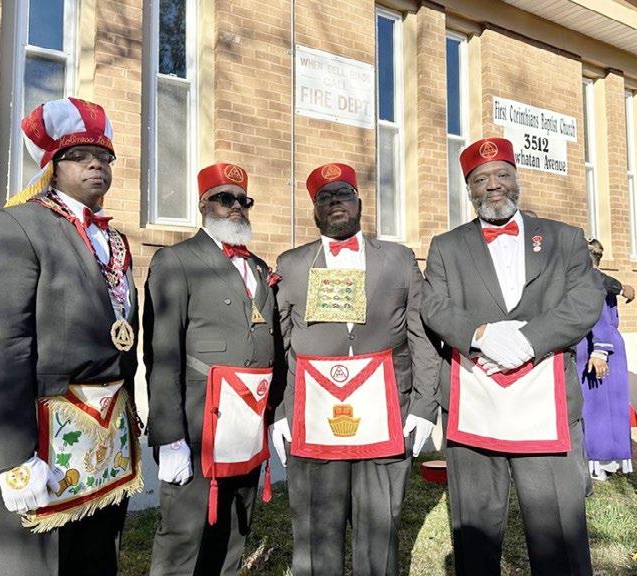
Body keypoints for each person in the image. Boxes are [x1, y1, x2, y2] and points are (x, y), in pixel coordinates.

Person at [0, 97, 142, 575]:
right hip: (42, 432)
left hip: (106, 432)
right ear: (51, 166)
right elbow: (1, 345)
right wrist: (13, 454)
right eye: (79, 156)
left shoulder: (115, 240)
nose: (96, 164)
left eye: (104, 156)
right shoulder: (16, 225)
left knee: (97, 557)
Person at [421, 137, 605, 576]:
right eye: (480, 179)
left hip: (546, 406)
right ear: (469, 189)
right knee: (475, 534)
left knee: (558, 531)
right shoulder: (446, 246)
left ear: (516, 178)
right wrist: (480, 334)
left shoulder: (564, 238)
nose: (493, 185)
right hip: (476, 406)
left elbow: (585, 299)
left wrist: (529, 340)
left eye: (502, 174)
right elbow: (434, 305)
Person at [270, 162, 440, 575]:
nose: (335, 202)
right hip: (312, 415)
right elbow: (279, 344)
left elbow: (421, 335)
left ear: (359, 202)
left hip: (387, 413)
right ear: (314, 210)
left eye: (343, 193)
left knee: (379, 532)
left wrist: (424, 406)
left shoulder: (398, 259)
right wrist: (279, 412)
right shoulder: (292, 264)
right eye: (324, 197)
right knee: (315, 534)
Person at [143, 163, 280, 576]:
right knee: (183, 535)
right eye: (224, 199)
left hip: (247, 420)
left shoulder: (259, 267)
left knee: (235, 527)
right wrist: (169, 437)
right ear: (203, 204)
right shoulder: (177, 260)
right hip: (197, 422)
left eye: (243, 200)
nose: (236, 207)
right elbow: (161, 352)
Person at [577, 239, 633, 480]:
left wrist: (599, 350)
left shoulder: (590, 280)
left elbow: (598, 318)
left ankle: (599, 460)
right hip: (612, 344)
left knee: (596, 405)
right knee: (610, 405)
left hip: (595, 345)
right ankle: (611, 459)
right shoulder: (604, 280)